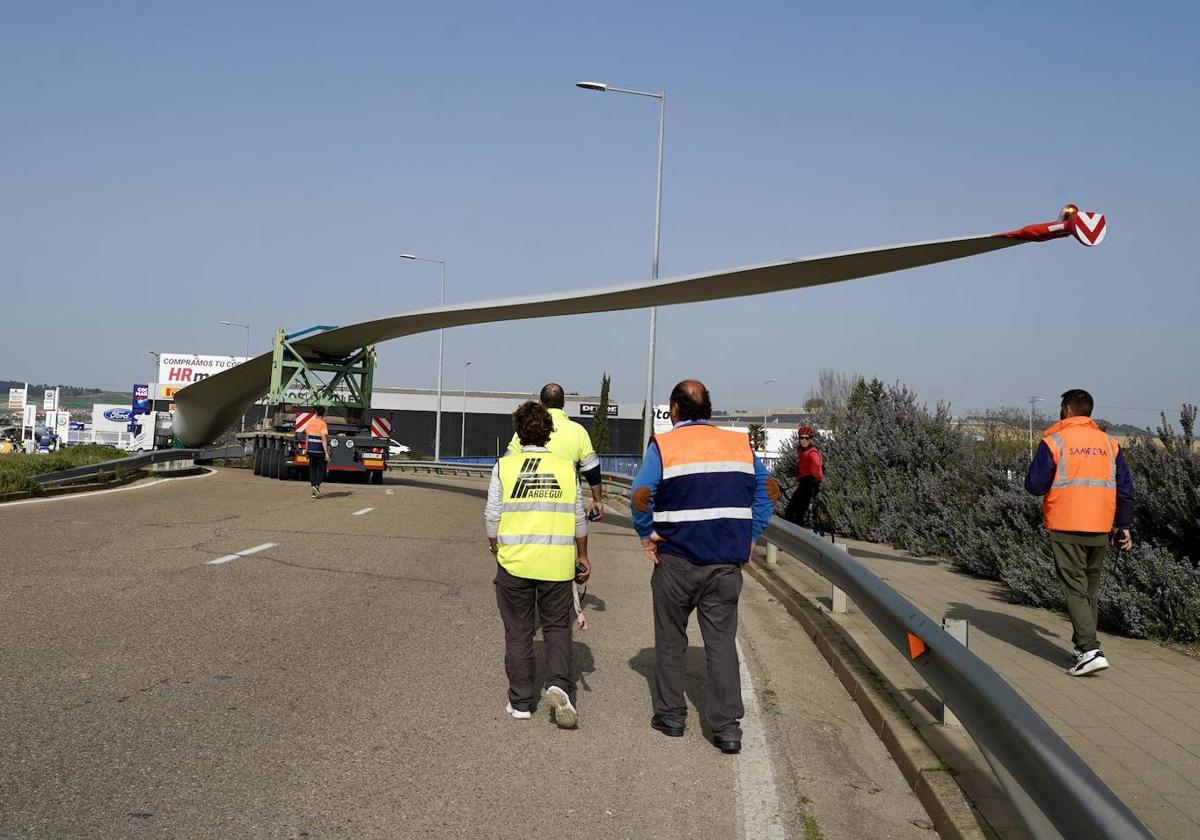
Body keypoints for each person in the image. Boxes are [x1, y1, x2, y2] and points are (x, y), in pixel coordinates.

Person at [630, 380, 777, 754]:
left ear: (675, 410)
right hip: (725, 563)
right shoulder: (738, 444)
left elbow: (640, 496)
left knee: (670, 639)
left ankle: (672, 716)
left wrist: (647, 534)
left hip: (676, 561)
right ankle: (727, 728)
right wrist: (751, 534)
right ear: (708, 409)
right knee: (721, 644)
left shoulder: (663, 445)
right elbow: (768, 489)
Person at [487, 401, 591, 728]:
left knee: (518, 632)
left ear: (518, 432)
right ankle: (559, 683)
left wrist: (496, 549)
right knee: (558, 628)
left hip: (515, 564)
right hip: (557, 566)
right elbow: (578, 519)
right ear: (549, 432)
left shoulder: (505, 466)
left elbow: (492, 517)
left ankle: (520, 702)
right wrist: (583, 555)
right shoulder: (564, 468)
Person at [1025, 389, 1134, 677]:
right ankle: (1081, 646)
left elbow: (1035, 485)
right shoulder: (1109, 444)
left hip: (1066, 523)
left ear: (1067, 410)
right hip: (1100, 525)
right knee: (1089, 590)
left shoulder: (1055, 441)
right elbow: (1125, 488)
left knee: (1074, 588)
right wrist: (1124, 526)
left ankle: (1089, 649)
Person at [507, 383, 604, 521]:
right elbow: (592, 469)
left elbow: (507, 462)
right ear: (564, 403)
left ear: (540, 403)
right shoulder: (578, 432)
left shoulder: (527, 429)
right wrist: (597, 500)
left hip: (528, 504)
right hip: (566, 507)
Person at [783, 426, 823, 526]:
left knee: (798, 509)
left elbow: (814, 473)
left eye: (807, 438)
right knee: (790, 509)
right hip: (804, 482)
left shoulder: (812, 453)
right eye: (801, 438)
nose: (804, 440)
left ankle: (798, 530)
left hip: (811, 483)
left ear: (811, 439)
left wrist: (805, 480)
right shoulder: (801, 451)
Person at [304, 407, 331, 498]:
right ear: (324, 414)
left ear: (316, 413)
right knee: (322, 470)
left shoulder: (310, 423)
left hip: (311, 449)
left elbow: (307, 438)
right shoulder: (323, 424)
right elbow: (324, 439)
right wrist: (326, 453)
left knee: (312, 469)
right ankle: (316, 485)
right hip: (319, 450)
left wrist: (306, 450)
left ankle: (313, 490)